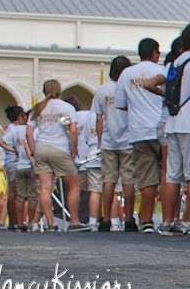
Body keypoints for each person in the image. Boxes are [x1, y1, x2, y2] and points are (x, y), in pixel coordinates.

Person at [144, 22, 190, 236]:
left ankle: (169, 221)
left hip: (173, 123)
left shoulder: (174, 64)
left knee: (173, 174)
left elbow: (150, 83)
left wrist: (166, 97)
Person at [117, 38, 168, 233]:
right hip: (161, 127)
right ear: (155, 53)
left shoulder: (127, 74)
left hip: (139, 131)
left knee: (147, 178)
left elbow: (121, 104)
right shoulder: (162, 71)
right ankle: (168, 217)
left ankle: (146, 219)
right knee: (165, 174)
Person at [28, 80, 86, 231]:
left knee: (45, 188)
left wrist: (34, 151)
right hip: (59, 148)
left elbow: (29, 132)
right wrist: (73, 150)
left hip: (41, 148)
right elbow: (72, 130)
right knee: (74, 185)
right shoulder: (66, 108)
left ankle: (51, 222)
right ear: (59, 90)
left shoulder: (38, 109)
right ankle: (74, 221)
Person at [95, 56, 133, 231]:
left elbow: (99, 118)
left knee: (108, 180)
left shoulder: (102, 90)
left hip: (109, 140)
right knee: (128, 180)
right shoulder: (129, 88)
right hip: (127, 139)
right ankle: (129, 218)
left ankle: (105, 218)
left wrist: (100, 139)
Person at [0, 106, 38, 230]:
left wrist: (14, 150)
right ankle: (32, 222)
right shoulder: (35, 130)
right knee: (32, 197)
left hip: (18, 165)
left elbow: (2, 142)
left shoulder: (16, 130)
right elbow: (30, 147)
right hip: (31, 164)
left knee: (20, 196)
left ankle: (19, 223)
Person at [74, 101, 103, 231]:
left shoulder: (87, 116)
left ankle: (92, 221)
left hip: (89, 155)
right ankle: (114, 221)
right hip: (108, 150)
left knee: (94, 190)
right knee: (112, 189)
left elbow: (84, 137)